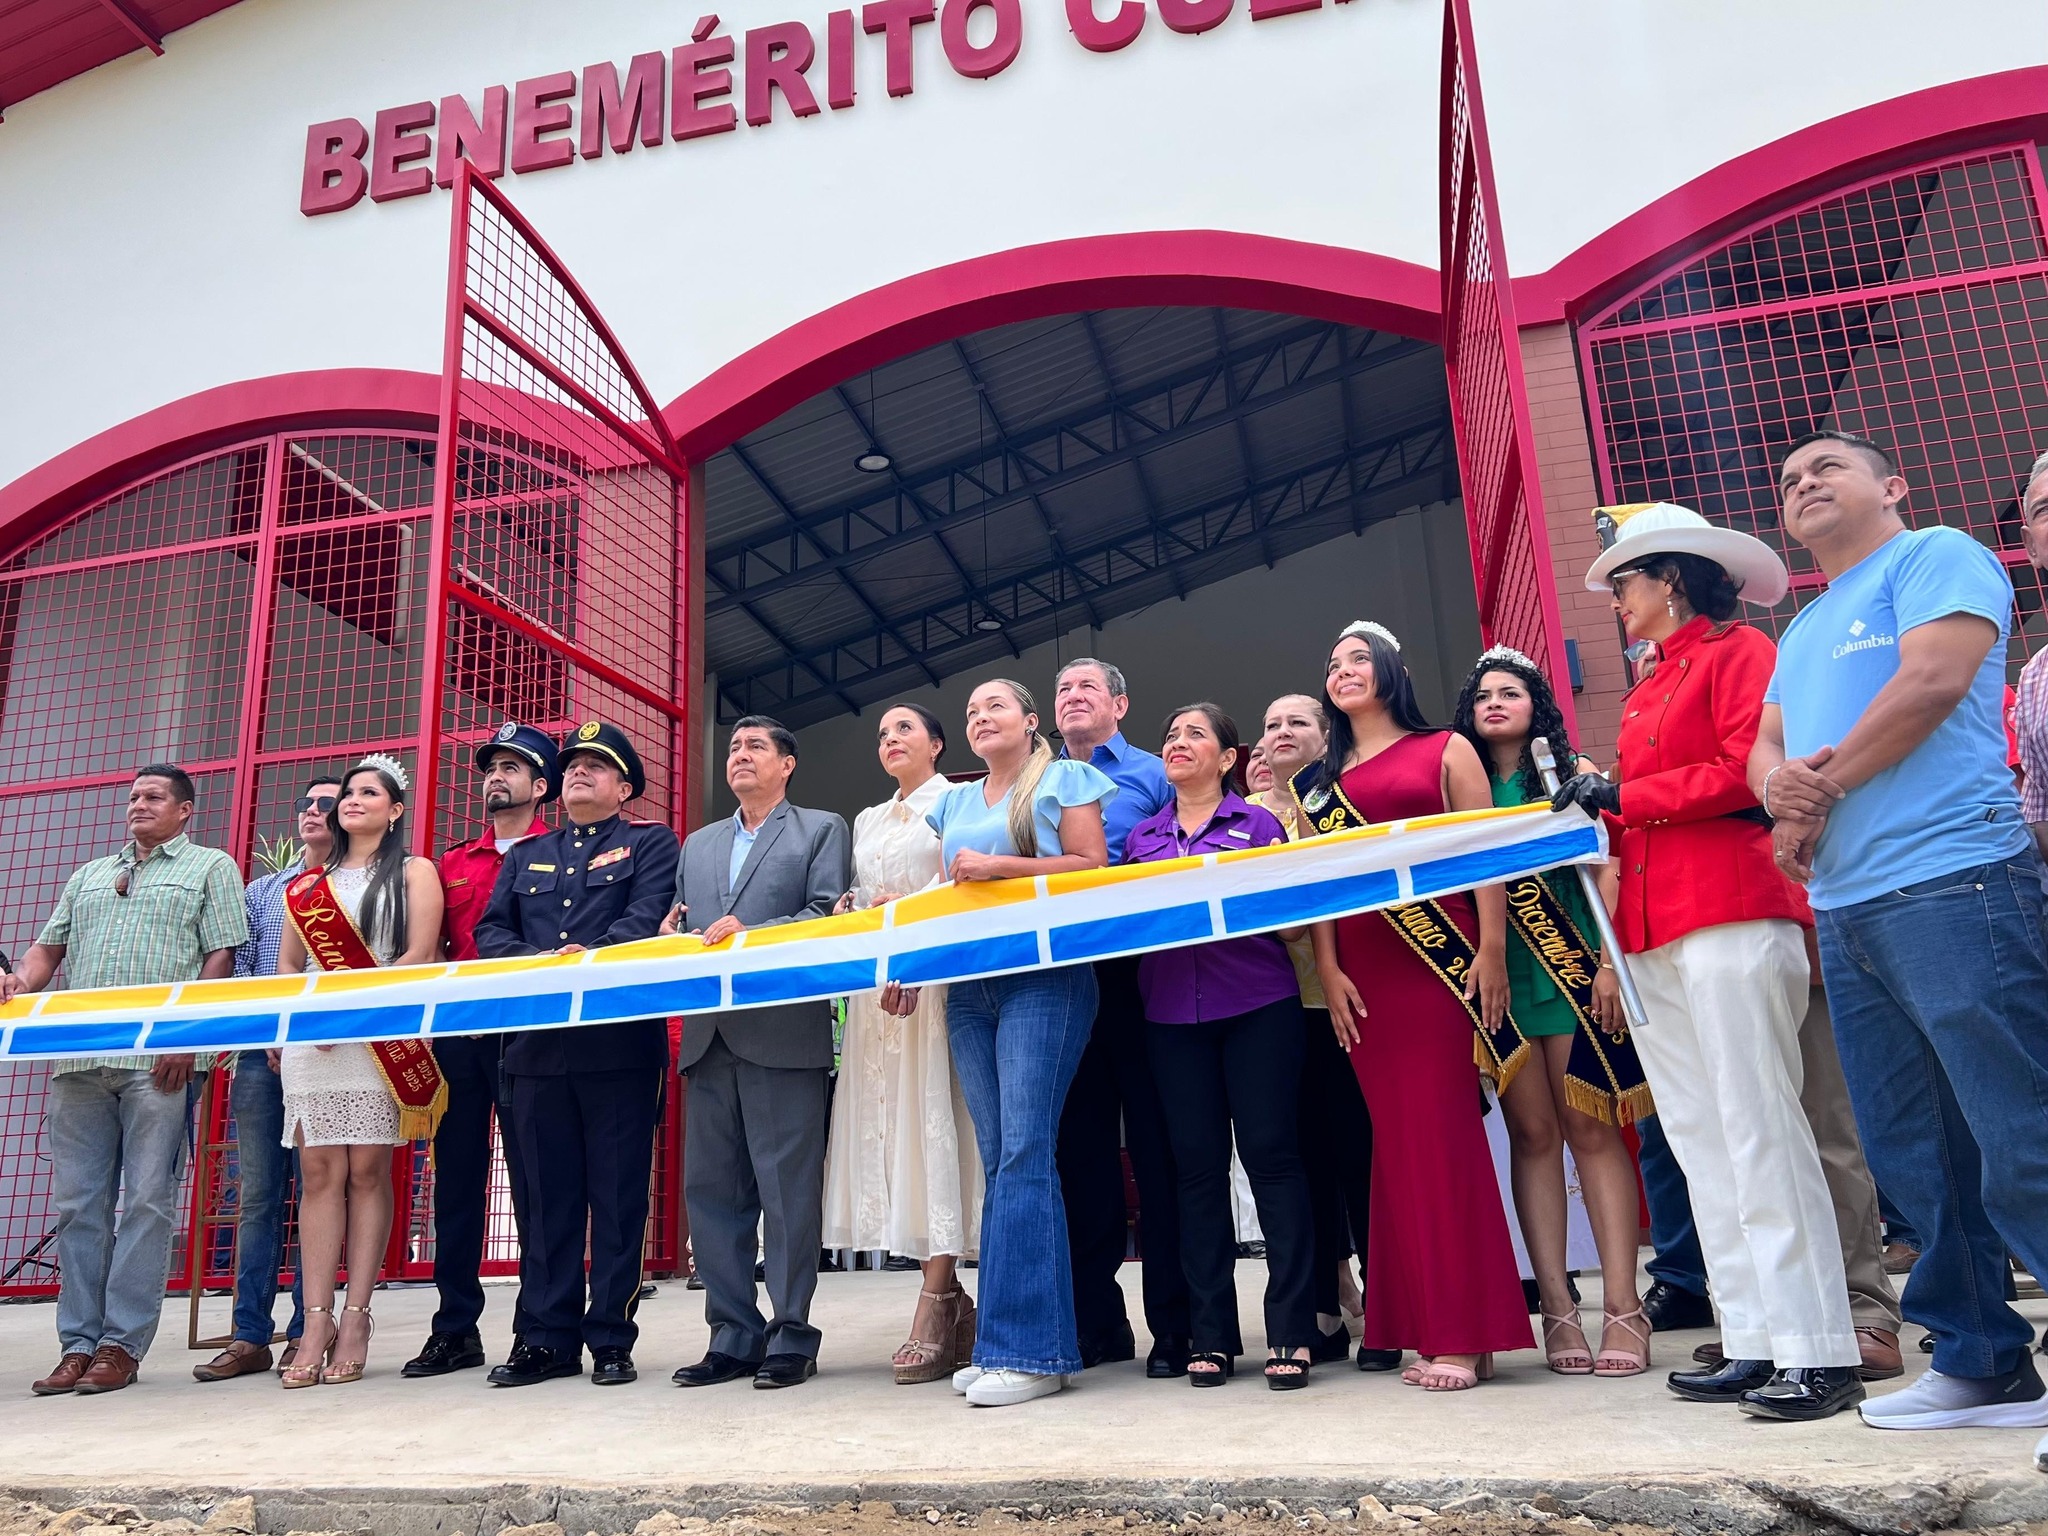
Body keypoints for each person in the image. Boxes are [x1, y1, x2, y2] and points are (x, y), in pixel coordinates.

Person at [1751, 431, 2048, 1447]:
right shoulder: (1801, 626)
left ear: (1892, 485)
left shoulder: (1935, 556)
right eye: (1788, 481)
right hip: (1849, 909)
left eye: (1825, 468)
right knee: (1912, 1152)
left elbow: (1931, 681)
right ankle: (1978, 1361)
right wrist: (1776, 790)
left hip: (1955, 882)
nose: (1803, 484)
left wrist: (1813, 793)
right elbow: (1767, 746)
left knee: (2019, 1130)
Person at [1551, 499, 1862, 1421]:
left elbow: (1747, 774)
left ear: (1673, 579)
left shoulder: (1740, 652)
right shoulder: (1646, 684)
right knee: (1699, 1138)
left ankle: (1817, 1345)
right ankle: (1754, 1335)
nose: (1616, 600)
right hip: (1653, 926)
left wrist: (1623, 792)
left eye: (1626, 582)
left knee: (1760, 1126)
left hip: (1729, 906)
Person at [1300, 623, 1534, 1391]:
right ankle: (1431, 1324)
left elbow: (1483, 852)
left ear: (1391, 671)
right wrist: (1328, 967)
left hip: (1439, 961)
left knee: (1443, 1138)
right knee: (1397, 1150)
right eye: (1333, 663)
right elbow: (1321, 883)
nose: (1342, 671)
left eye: (1357, 659)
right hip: (1363, 975)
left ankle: (1467, 1332)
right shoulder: (1320, 783)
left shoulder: (1445, 748)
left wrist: (1491, 948)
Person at [6, 765, 248, 1397]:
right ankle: (77, 1346)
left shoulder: (210, 867)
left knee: (146, 1201)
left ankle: (121, 1346)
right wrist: (18, 983)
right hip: (78, 1062)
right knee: (78, 1206)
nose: (138, 804)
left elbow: (222, 955)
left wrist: (187, 1038)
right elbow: (47, 951)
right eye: (134, 796)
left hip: (159, 1063)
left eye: (153, 796)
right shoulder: (88, 874)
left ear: (185, 810)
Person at [1450, 649, 1651, 1377]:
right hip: (1500, 974)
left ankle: (1624, 1307)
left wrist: (1609, 963)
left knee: (1591, 1130)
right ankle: (1558, 1308)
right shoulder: (1460, 783)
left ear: (1539, 705)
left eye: (1510, 692)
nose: (1494, 703)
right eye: (1483, 695)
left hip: (1571, 965)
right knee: (1532, 1136)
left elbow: (1609, 868)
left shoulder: (1571, 771)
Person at [477, 722, 680, 1388]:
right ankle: (545, 1339)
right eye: (571, 768)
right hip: (535, 1049)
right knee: (544, 1202)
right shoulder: (527, 855)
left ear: (624, 788)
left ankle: (612, 1338)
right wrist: (543, 962)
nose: (579, 774)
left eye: (596, 766)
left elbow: (647, 919)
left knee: (618, 1199)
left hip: (618, 1047)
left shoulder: (650, 843)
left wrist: (587, 959)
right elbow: (491, 932)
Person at [931, 678, 1115, 1407]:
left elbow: (1092, 867)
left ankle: (1030, 1352)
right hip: (968, 988)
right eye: (971, 711)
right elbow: (946, 893)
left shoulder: (1065, 778)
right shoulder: (952, 802)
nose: (980, 717)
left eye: (995, 707)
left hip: (1046, 978)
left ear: (1031, 720)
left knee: (1025, 1153)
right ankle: (1015, 1343)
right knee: (1001, 1157)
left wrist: (999, 868)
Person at [1124, 703, 1317, 1389]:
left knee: (1272, 1159)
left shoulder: (1260, 827)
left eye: (1194, 734)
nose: (1177, 743)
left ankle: (1292, 1331)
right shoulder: (1141, 839)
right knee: (1196, 1173)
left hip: (1258, 1008)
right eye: (1170, 735)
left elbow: (1293, 929)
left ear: (1228, 758)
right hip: (1172, 1017)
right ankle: (1211, 1334)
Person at [669, 716, 850, 1392]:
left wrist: (752, 933)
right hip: (708, 1037)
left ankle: (791, 1333)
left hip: (782, 1033)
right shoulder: (699, 843)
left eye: (756, 747)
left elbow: (826, 915)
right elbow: (683, 923)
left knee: (787, 1193)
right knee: (711, 1193)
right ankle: (732, 1335)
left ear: (787, 764)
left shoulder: (820, 830)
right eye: (734, 747)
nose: (740, 756)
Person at [272, 755, 446, 1388]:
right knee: (319, 1173)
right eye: (348, 792)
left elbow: (419, 954)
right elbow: (289, 966)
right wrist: (312, 1017)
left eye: (369, 792)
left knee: (368, 1171)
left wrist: (350, 1011)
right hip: (316, 1043)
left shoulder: (414, 872)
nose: (351, 800)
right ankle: (314, 1322)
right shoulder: (307, 886)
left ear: (395, 810)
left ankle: (356, 1317)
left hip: (380, 1036)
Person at [822, 703, 983, 1384]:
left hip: (932, 983)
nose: (890, 740)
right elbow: (864, 895)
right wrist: (851, 910)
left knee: (931, 1127)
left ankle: (936, 1299)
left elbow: (955, 893)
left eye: (905, 730)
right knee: (891, 1136)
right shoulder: (866, 818)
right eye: (882, 734)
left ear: (937, 744)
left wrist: (915, 956)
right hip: (874, 994)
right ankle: (954, 1301)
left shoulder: (958, 803)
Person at [1047, 658, 1187, 1377]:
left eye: (1087, 687)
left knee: (1159, 1152)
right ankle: (1097, 1324)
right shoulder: (1036, 781)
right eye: (1062, 689)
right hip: (1064, 983)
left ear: (1120, 705)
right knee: (1081, 1156)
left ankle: (1177, 1325)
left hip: (1144, 982)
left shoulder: (1155, 775)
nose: (1072, 697)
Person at [404, 723, 555, 1379]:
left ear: (541, 786)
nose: (496, 776)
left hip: (531, 1033)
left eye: (511, 767)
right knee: (457, 1185)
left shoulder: (561, 853)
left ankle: (537, 1327)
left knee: (536, 1182)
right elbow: (433, 947)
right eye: (491, 767)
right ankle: (455, 1328)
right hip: (460, 1036)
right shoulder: (453, 864)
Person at [1249, 694, 1386, 1368]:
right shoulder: (1244, 817)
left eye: (1297, 722)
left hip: (1351, 1001)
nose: (1282, 732)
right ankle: (1323, 1306)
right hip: (1275, 1010)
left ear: (1327, 736)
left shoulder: (1346, 801)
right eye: (1271, 724)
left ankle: (1387, 1304)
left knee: (1360, 1155)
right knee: (1300, 1161)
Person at [193, 774, 339, 1383]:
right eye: (307, 803)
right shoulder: (264, 890)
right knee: (257, 1194)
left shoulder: (360, 885)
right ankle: (250, 1334)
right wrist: (273, 1034)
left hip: (331, 1054)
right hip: (262, 1057)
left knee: (319, 1189)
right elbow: (246, 971)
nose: (313, 812)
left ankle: (308, 1328)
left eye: (327, 804)